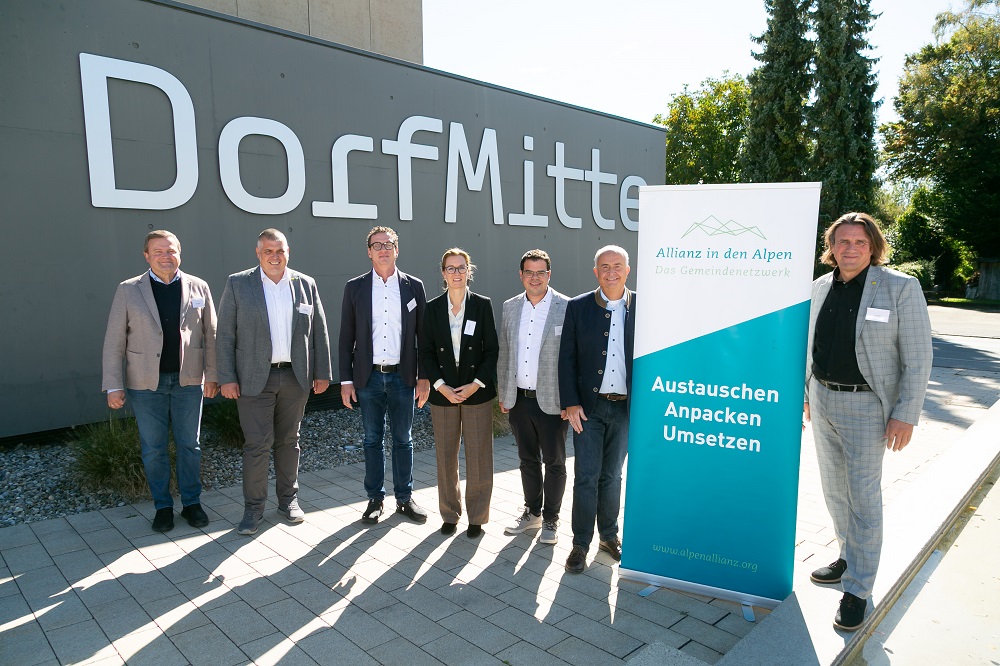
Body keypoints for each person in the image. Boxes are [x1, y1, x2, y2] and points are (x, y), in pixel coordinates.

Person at [804, 212, 933, 631]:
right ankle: (848, 557)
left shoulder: (900, 287)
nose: (851, 249)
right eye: (843, 241)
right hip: (823, 398)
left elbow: (918, 357)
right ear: (831, 246)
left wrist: (905, 414)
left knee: (862, 497)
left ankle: (858, 589)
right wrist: (806, 393)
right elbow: (811, 345)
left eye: (860, 242)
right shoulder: (819, 287)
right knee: (833, 490)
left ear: (873, 246)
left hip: (867, 406)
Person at [216, 229, 332, 536]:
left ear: (288, 252)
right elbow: (225, 335)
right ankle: (253, 509)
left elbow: (318, 331)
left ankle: (288, 501)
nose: (275, 256)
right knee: (256, 445)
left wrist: (322, 372)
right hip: (253, 379)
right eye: (268, 251)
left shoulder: (305, 284)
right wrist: (226, 378)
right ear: (258, 253)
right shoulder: (238, 283)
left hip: (295, 376)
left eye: (280, 250)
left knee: (289, 441)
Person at [102, 230, 218, 533]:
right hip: (145, 384)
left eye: (170, 251)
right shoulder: (128, 290)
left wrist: (213, 375)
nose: (166, 257)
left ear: (180, 253)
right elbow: (114, 341)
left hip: (188, 381)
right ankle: (163, 507)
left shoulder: (199, 286)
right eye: (158, 252)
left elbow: (211, 335)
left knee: (189, 445)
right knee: (154, 448)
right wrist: (113, 384)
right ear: (146, 256)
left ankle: (192, 503)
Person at [339, 226, 430, 525]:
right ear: (369, 252)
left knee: (403, 439)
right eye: (376, 245)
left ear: (397, 250)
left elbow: (424, 337)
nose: (383, 249)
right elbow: (346, 337)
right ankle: (375, 499)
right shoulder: (355, 287)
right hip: (369, 378)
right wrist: (346, 381)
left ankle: (404, 498)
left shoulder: (414, 286)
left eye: (388, 244)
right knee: (372, 440)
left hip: (404, 377)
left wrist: (424, 377)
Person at [558, 245, 636, 573]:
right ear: (596, 272)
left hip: (626, 409)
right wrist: (570, 402)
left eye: (617, 266)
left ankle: (609, 536)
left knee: (613, 476)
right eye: (605, 266)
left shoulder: (644, 307)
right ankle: (580, 543)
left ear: (628, 270)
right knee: (586, 476)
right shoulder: (578, 307)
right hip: (588, 409)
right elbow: (566, 358)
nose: (611, 272)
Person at [419, 248, 499, 538]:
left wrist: (476, 383)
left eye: (461, 267)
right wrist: (440, 385)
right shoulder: (432, 308)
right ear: (443, 273)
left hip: (475, 390)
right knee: (445, 457)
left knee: (479, 456)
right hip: (444, 392)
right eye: (451, 268)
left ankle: (477, 517)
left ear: (469, 271)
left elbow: (491, 350)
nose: (456, 273)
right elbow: (426, 351)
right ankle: (449, 513)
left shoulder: (482, 305)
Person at [498, 249, 570, 545]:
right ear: (521, 275)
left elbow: (573, 358)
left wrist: (571, 400)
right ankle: (533, 513)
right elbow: (505, 351)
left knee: (554, 462)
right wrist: (504, 392)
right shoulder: (511, 306)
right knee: (527, 460)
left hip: (553, 401)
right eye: (529, 272)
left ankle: (552, 518)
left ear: (549, 275)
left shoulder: (566, 306)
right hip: (519, 399)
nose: (535, 278)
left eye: (541, 272)